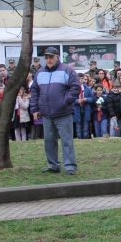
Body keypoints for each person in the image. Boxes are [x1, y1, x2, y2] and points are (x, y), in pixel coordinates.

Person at [30, 46, 80, 175]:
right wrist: (35, 109)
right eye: (46, 57)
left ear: (57, 57)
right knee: (49, 141)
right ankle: (53, 165)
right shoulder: (40, 72)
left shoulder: (67, 70)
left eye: (51, 57)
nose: (49, 59)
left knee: (67, 141)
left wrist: (65, 101)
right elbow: (34, 91)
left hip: (63, 113)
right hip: (46, 114)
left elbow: (75, 87)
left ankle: (70, 166)